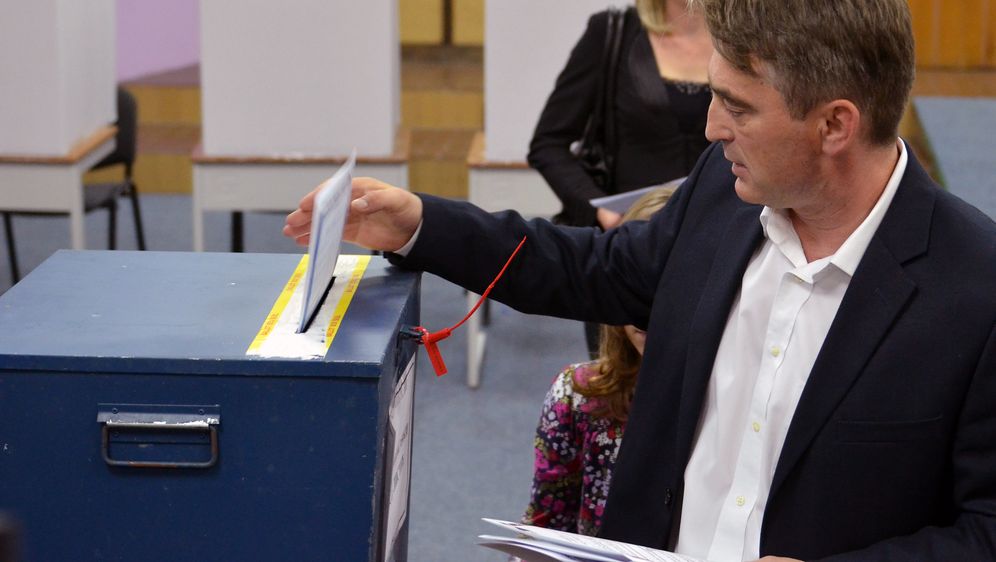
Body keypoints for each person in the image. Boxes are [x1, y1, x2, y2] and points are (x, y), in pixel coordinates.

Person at [285, 0, 996, 559]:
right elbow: (584, 268)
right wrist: (420, 224)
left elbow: (985, 531)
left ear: (835, 124)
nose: (712, 128)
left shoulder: (975, 289)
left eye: (738, 107)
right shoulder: (722, 191)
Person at [523, 188, 674, 537]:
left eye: (665, 286)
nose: (644, 315)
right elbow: (546, 525)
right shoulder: (578, 394)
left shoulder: (738, 396)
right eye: (636, 288)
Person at [529, 0, 712, 231]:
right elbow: (548, 144)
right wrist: (600, 210)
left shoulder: (746, 38)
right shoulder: (613, 31)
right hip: (630, 236)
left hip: (722, 232)